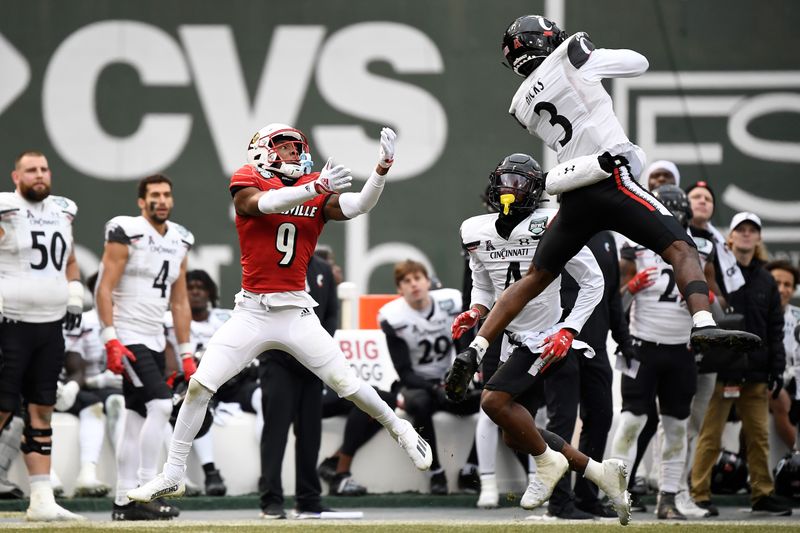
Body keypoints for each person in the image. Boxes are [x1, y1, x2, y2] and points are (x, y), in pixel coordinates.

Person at [446, 14, 759, 424]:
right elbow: (637, 62)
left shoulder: (520, 104)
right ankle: (701, 322)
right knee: (681, 246)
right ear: (545, 39)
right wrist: (585, 53)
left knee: (536, 275)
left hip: (573, 191)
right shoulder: (571, 55)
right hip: (610, 180)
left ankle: (476, 349)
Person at [128, 124, 433, 504]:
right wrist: (315, 188)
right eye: (285, 147)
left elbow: (357, 205)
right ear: (262, 151)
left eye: (296, 147)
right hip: (252, 311)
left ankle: (400, 429)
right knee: (199, 385)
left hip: (296, 312)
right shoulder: (249, 178)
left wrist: (381, 169)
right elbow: (263, 204)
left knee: (347, 384)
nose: (293, 153)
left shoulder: (311, 185)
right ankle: (173, 473)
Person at [450, 153, 631, 524]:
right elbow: (485, 282)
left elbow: (594, 282)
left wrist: (569, 328)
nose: (509, 189)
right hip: (513, 340)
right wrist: (476, 310)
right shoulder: (474, 230)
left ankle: (550, 464)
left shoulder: (551, 224)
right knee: (516, 435)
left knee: (493, 402)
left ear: (535, 190)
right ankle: (600, 473)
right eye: (505, 180)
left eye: (519, 182)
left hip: (547, 338)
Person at [609, 185, 718, 520]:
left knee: (675, 426)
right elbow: (616, 301)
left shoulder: (700, 250)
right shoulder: (634, 248)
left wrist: (711, 302)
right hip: (642, 347)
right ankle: (617, 494)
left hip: (681, 350)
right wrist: (632, 286)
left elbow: (716, 299)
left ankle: (668, 498)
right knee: (631, 421)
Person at [95, 174, 195, 521]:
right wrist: (110, 337)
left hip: (154, 336)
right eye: (154, 195)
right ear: (141, 201)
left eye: (167, 194)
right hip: (128, 334)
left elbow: (180, 301)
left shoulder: (180, 239)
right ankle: (146, 491)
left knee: (137, 417)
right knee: (160, 405)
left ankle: (124, 501)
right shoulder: (126, 230)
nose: (161, 200)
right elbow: (103, 287)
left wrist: (185, 351)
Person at [0, 151, 85, 521]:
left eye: (44, 169)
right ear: (16, 176)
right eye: (31, 170)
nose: (39, 175)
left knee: (42, 407)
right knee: (3, 406)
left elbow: (67, 258)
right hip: (11, 322)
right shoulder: (6, 208)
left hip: (50, 325)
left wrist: (75, 289)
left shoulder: (64, 210)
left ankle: (41, 498)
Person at [690, 212, 792, 516]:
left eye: (752, 230)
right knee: (710, 435)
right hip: (721, 368)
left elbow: (775, 327)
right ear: (730, 237)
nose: (747, 235)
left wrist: (777, 368)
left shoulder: (766, 279)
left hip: (757, 371)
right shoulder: (717, 272)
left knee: (758, 436)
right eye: (741, 230)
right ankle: (699, 494)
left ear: (758, 238)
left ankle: (762, 493)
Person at [379, 260, 479, 495]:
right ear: (399, 288)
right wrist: (435, 388)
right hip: (417, 385)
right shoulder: (394, 316)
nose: (414, 285)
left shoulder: (450, 303)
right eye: (407, 281)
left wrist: (460, 379)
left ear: (427, 281)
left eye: (417, 278)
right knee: (420, 404)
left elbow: (462, 345)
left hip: (447, 382)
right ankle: (435, 472)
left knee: (491, 401)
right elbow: (404, 372)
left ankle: (472, 468)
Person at [258, 254, 338, 519]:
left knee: (310, 434)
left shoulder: (323, 269)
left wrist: (316, 352)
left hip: (312, 363)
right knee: (275, 432)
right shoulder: (270, 262)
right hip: (278, 361)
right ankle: (271, 500)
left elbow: (331, 314)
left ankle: (308, 499)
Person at [560, 230, 633, 518]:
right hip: (561, 342)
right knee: (562, 420)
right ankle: (560, 501)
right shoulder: (556, 230)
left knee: (601, 416)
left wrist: (624, 340)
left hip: (598, 344)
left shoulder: (605, 238)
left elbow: (612, 294)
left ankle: (587, 496)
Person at [164, 269, 231, 497]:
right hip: (190, 381)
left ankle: (267, 477)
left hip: (230, 381)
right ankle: (210, 472)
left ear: (210, 292)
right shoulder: (169, 320)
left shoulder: (225, 319)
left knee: (262, 397)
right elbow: (169, 362)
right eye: (190, 288)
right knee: (197, 402)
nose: (195, 292)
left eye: (200, 288)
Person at [60, 272, 124, 498]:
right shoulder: (84, 321)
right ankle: (90, 473)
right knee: (109, 403)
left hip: (123, 386)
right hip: (92, 385)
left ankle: (128, 478)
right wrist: (97, 380)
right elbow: (74, 367)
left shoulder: (132, 320)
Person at [765, 260, 800, 450]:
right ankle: (796, 453)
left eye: (787, 285)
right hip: (762, 383)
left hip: (793, 383)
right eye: (776, 283)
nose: (781, 289)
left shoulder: (798, 318)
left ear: (793, 290)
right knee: (776, 393)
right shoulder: (756, 314)